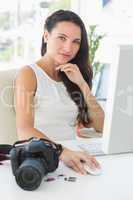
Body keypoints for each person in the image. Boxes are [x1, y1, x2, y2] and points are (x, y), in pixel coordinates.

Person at [14, 10, 105, 175]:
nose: (68, 48)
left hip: (74, 156)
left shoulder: (74, 75)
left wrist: (82, 84)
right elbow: (24, 129)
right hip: (42, 158)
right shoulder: (28, 74)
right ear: (46, 36)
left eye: (76, 41)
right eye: (62, 38)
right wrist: (62, 151)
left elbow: (100, 126)